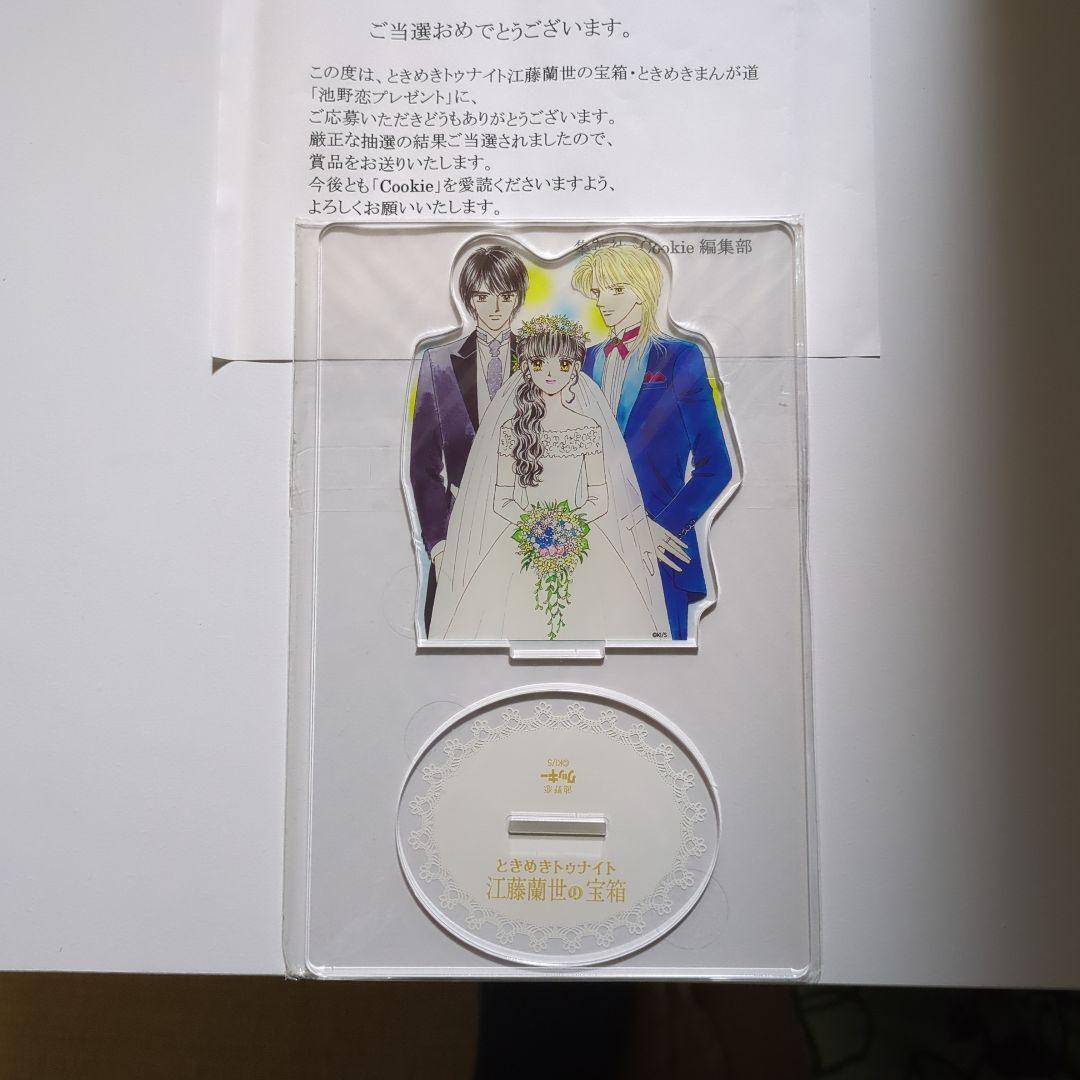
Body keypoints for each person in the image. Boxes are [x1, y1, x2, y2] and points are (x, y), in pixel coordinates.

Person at [429, 315, 669, 643]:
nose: (551, 373)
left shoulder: (588, 428)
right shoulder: (511, 430)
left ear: (575, 368)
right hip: (522, 540)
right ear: (527, 368)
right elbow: (502, 499)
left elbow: (599, 498)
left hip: (580, 538)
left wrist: (568, 527)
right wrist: (535, 528)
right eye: (540, 363)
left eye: (563, 363)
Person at [571, 243, 734, 640]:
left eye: (616, 290)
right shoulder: (582, 360)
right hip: (592, 547)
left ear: (643, 291)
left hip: (662, 548)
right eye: (598, 292)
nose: (603, 302)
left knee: (663, 663)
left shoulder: (680, 357)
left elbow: (716, 466)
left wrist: (661, 527)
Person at [409, 245, 530, 628]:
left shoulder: (541, 359)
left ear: (518, 298)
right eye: (482, 297)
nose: (494, 308)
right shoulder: (439, 362)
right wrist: (439, 545)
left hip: (527, 525)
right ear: (468, 299)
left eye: (505, 297)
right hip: (459, 526)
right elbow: (423, 467)